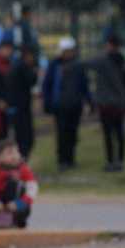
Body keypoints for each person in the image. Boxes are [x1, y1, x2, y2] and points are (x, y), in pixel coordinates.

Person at [42, 37, 90, 171]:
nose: (68, 53)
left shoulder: (78, 66)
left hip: (75, 105)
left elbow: (84, 85)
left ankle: (71, 158)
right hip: (60, 106)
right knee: (61, 133)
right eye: (66, 51)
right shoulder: (54, 65)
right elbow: (47, 85)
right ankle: (62, 160)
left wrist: (89, 101)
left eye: (70, 51)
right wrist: (47, 104)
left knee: (72, 133)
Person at [88, 34, 125, 172]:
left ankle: (111, 161)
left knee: (108, 133)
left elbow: (90, 64)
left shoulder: (103, 61)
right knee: (119, 133)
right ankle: (120, 160)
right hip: (119, 103)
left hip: (107, 103)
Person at [0, 139, 38, 228]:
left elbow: (32, 188)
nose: (15, 156)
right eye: (9, 153)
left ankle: (15, 222)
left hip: (17, 205)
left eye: (16, 152)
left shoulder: (23, 169)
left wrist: (20, 203)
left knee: (13, 183)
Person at [6, 45, 39, 161]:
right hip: (21, 106)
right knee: (25, 136)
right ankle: (22, 158)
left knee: (22, 134)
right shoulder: (22, 66)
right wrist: (35, 71)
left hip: (17, 105)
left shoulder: (15, 65)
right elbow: (32, 80)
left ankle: (21, 157)